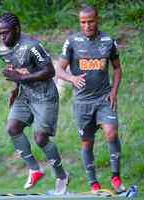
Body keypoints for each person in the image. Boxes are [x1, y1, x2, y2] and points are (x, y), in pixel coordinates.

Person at [0, 12, 69, 195]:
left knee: (40, 139)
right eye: (0, 33)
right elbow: (16, 71)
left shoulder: (32, 46)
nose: (2, 36)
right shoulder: (3, 51)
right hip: (25, 95)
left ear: (17, 29)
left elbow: (50, 71)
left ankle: (61, 176)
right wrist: (15, 89)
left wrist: (22, 77)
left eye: (5, 32)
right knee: (12, 128)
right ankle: (35, 169)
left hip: (45, 97)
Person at [56, 6, 126, 194]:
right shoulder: (72, 42)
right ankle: (93, 183)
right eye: (83, 22)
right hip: (82, 103)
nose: (87, 25)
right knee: (87, 143)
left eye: (91, 21)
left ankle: (116, 178)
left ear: (97, 20)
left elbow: (117, 69)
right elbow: (59, 69)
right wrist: (71, 78)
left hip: (104, 99)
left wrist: (114, 92)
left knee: (111, 133)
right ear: (80, 22)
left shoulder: (108, 41)